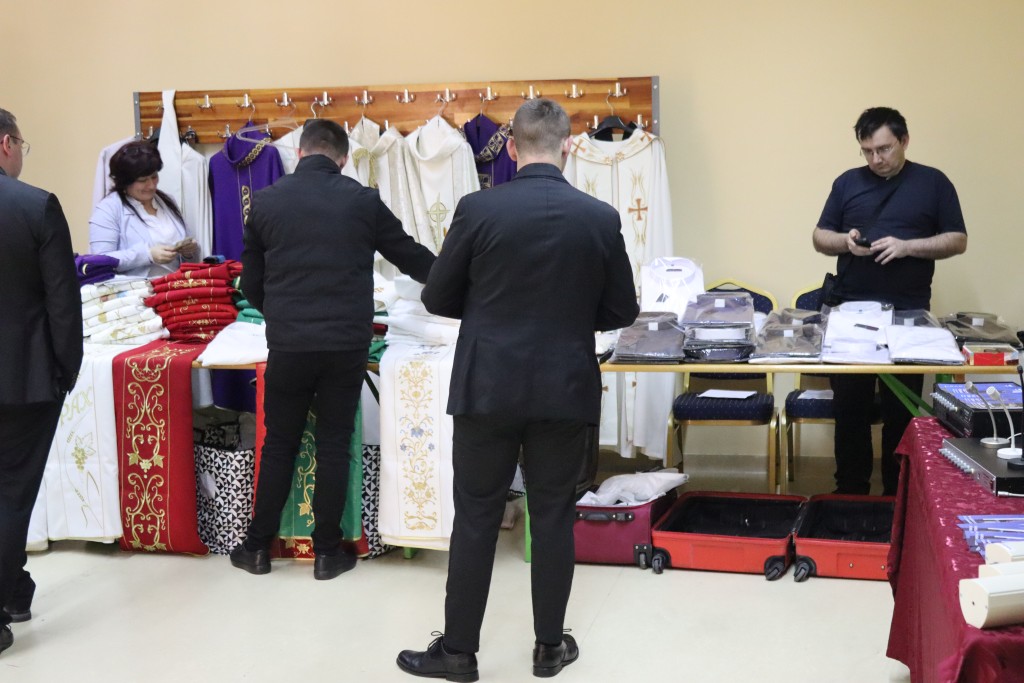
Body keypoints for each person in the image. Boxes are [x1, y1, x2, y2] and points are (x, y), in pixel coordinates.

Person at [397, 99, 638, 681]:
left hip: (488, 385)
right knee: (552, 515)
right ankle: (550, 648)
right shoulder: (599, 217)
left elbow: (436, 296)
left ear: (511, 148)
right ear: (567, 146)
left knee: (477, 515)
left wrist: (486, 304)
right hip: (565, 386)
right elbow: (622, 309)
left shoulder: (479, 209)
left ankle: (458, 653)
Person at [232, 119, 435, 581]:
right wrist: (459, 282)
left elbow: (253, 284)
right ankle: (327, 553)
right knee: (334, 444)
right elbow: (410, 256)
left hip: (289, 344)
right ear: (343, 159)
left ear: (300, 153)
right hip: (345, 343)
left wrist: (281, 317)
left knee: (279, 443)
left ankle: (257, 547)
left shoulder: (266, 202)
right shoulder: (362, 200)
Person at [813, 106, 967, 495]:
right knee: (850, 410)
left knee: (902, 413)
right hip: (851, 314)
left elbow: (957, 239)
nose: (876, 159)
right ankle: (849, 495)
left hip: (908, 316)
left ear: (904, 140)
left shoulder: (933, 182)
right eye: (867, 151)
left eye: (884, 149)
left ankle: (898, 496)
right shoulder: (847, 183)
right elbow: (819, 236)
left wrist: (908, 246)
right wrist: (845, 241)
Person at [0, 107, 83, 655]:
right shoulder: (36, 206)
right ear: (7, 144)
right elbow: (62, 301)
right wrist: (67, 371)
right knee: (11, 493)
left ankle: (15, 590)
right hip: (23, 377)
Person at [89, 140, 200, 277]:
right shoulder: (108, 210)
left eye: (154, 177)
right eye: (142, 180)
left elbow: (188, 260)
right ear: (125, 181)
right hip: (134, 289)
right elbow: (100, 261)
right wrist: (147, 255)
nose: (151, 185)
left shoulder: (166, 201)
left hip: (172, 285)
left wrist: (189, 251)